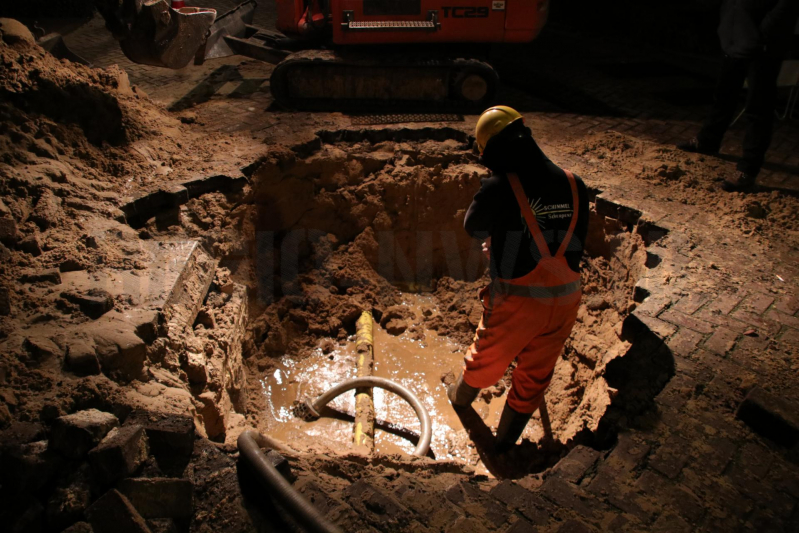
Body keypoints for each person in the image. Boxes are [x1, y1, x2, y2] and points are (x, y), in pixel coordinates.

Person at [448, 106, 589, 453]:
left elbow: (473, 227)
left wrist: (503, 240)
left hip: (521, 300)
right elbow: (575, 240)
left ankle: (458, 400)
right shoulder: (574, 182)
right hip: (567, 297)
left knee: (486, 358)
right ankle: (505, 444)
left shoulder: (499, 186)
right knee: (535, 376)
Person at [678, 0, 799, 192]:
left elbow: (787, 5)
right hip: (736, 36)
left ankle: (748, 169)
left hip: (763, 45)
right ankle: (708, 140)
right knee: (724, 93)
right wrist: (727, 24)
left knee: (758, 106)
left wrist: (765, 34)